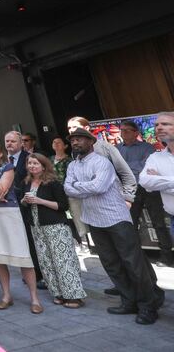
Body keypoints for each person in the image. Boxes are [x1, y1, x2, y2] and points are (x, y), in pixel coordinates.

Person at [65, 128, 164, 325]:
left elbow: (99, 187)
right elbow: (68, 189)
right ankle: (128, 301)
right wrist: (82, 188)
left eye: (79, 139)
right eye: (73, 140)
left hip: (116, 218)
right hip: (93, 219)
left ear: (90, 142)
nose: (75, 142)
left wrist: (78, 187)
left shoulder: (102, 162)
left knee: (133, 263)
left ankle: (148, 306)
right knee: (111, 263)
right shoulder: (72, 166)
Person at [0, 141, 43, 313]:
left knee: (22, 256)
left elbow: (1, 190)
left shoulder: (8, 168)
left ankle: (34, 298)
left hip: (8, 214)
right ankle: (6, 295)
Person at [21, 154, 86, 308]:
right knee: (46, 262)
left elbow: (63, 206)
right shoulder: (27, 182)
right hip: (37, 228)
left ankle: (74, 296)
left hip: (55, 227)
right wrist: (24, 201)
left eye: (35, 163)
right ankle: (58, 294)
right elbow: (24, 203)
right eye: (29, 163)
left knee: (63, 261)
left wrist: (39, 201)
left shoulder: (53, 182)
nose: (32, 166)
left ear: (44, 165)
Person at [119, 120, 173, 267]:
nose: (123, 133)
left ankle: (167, 257)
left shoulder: (147, 147)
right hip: (130, 189)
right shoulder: (117, 149)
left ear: (136, 133)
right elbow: (118, 169)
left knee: (158, 223)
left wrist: (126, 168)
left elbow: (144, 169)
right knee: (131, 223)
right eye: (121, 130)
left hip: (150, 189)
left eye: (127, 130)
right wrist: (133, 167)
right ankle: (137, 257)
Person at [5, 131, 45, 289]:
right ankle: (29, 272)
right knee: (22, 241)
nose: (9, 144)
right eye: (7, 141)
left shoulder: (29, 159)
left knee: (33, 239)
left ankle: (39, 274)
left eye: (13, 141)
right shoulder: (4, 160)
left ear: (21, 143)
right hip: (11, 207)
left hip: (28, 204)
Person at [139, 112, 174, 265]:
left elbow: (153, 183)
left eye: (165, 124)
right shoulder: (155, 157)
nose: (159, 127)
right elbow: (145, 181)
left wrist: (160, 180)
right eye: (156, 125)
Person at [51, 136, 86, 250]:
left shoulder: (69, 161)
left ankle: (83, 242)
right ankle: (72, 241)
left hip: (69, 193)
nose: (56, 144)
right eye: (54, 142)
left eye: (59, 142)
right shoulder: (49, 159)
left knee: (76, 216)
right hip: (54, 194)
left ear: (65, 146)